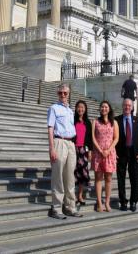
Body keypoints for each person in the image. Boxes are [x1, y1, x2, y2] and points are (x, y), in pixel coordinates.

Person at [47, 83, 82, 219]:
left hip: (70, 143)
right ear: (57, 94)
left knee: (69, 177)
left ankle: (70, 207)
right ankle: (56, 207)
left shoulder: (70, 110)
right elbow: (50, 128)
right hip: (59, 141)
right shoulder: (53, 108)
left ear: (69, 94)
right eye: (60, 93)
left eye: (65, 93)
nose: (62, 95)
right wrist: (51, 148)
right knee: (58, 176)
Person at [116, 98, 138, 212]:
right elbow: (113, 137)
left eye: (129, 105)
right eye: (125, 105)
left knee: (134, 179)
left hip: (135, 153)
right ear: (122, 106)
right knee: (121, 179)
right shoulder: (116, 120)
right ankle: (123, 201)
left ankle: (133, 201)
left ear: (132, 107)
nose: (127, 107)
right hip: (121, 153)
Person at [91, 100, 119, 212]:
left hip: (110, 153)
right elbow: (93, 137)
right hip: (98, 153)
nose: (104, 109)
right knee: (98, 178)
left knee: (108, 178)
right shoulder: (95, 122)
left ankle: (107, 202)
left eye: (106, 107)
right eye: (102, 107)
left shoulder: (114, 123)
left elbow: (116, 138)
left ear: (109, 109)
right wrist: (100, 150)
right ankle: (99, 203)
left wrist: (108, 150)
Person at [74, 100, 93, 205]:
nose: (80, 109)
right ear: (76, 109)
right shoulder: (73, 120)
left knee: (82, 173)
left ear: (85, 109)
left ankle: (80, 196)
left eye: (82, 107)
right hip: (73, 149)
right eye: (79, 107)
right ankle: (72, 196)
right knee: (73, 173)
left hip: (83, 150)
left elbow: (89, 138)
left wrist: (90, 151)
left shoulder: (88, 122)